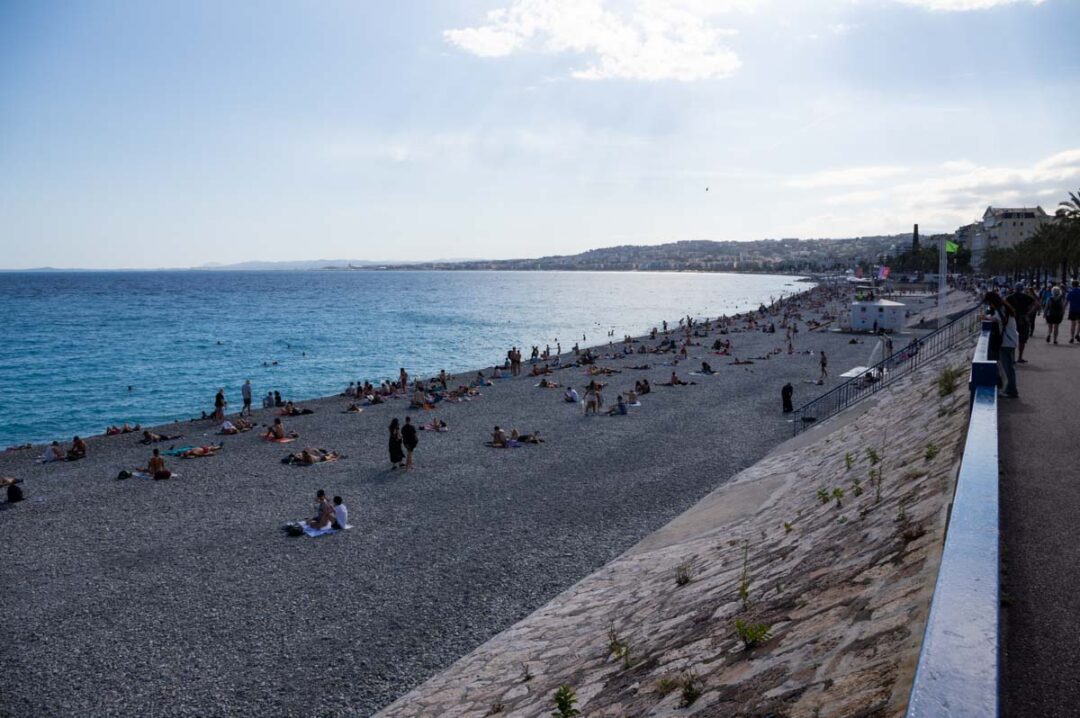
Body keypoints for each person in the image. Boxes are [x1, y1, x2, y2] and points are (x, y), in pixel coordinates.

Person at [986, 292, 1019, 398]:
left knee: (1007, 368)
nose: (989, 306)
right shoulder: (1005, 307)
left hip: (1006, 341)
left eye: (989, 303)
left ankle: (1011, 391)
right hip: (1012, 340)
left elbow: (997, 319)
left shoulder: (1000, 310)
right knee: (1010, 367)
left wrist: (985, 317)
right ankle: (1010, 389)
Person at [1005, 283, 1035, 363]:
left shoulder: (1009, 297)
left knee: (1012, 338)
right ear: (1022, 289)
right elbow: (1036, 305)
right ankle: (1020, 357)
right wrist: (1029, 313)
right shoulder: (1026, 297)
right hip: (1024, 320)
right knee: (1022, 340)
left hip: (1012, 320)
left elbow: (1004, 307)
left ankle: (1012, 358)